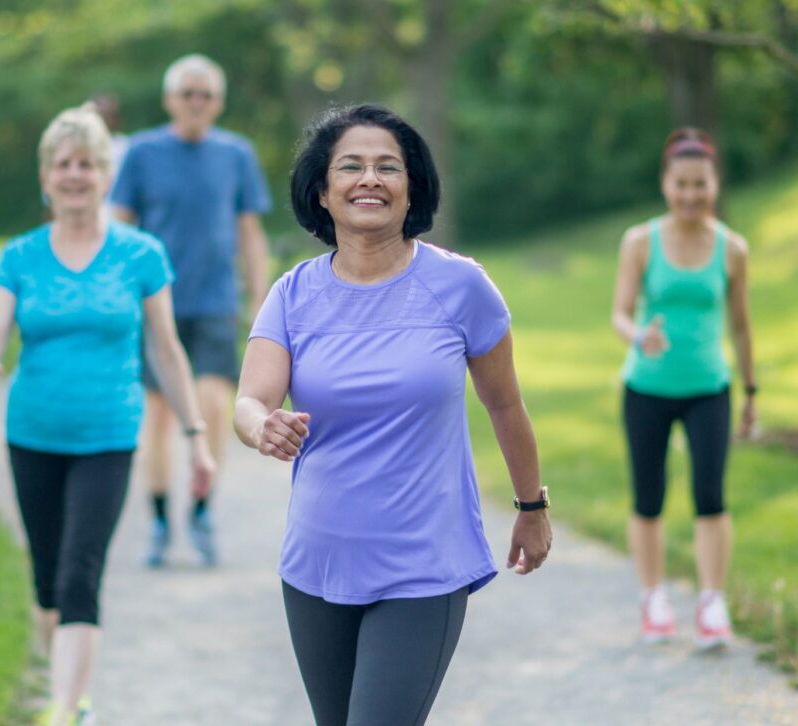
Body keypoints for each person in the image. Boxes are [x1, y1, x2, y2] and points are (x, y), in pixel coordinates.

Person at [233, 104, 552, 726]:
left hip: (424, 566)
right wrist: (260, 426)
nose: (369, 179)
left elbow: (504, 403)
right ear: (322, 193)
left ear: (413, 190)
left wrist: (531, 508)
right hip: (315, 566)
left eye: (388, 167)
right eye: (349, 166)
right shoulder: (292, 294)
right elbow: (250, 401)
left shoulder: (461, 287)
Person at [0, 106, 215, 726]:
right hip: (33, 434)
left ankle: (67, 708)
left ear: (106, 174)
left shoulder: (140, 254)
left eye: (88, 164)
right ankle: (68, 693)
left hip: (107, 434)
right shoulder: (20, 256)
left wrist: (196, 437)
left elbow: (165, 348)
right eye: (63, 164)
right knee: (48, 582)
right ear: (46, 176)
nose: (75, 175)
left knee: (80, 574)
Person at [111, 53, 272, 567]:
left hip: (215, 302)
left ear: (218, 102)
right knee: (158, 415)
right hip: (156, 305)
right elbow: (119, 227)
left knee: (212, 407)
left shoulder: (236, 155)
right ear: (170, 100)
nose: (196, 103)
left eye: (205, 95)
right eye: (187, 94)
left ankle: (202, 505)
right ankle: (159, 518)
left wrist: (261, 300)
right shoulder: (141, 153)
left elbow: (250, 232)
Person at [612, 127, 756, 649]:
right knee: (648, 496)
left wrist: (752, 391)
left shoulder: (732, 248)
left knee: (710, 496)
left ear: (714, 184)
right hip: (646, 388)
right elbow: (620, 313)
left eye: (701, 184)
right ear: (665, 184)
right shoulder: (640, 241)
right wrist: (638, 336)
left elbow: (741, 326)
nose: (691, 194)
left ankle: (712, 602)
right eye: (681, 184)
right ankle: (653, 598)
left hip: (709, 387)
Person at [87, 92, 129, 197]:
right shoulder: (76, 147)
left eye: (109, 115)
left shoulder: (127, 148)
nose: (103, 120)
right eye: (99, 115)